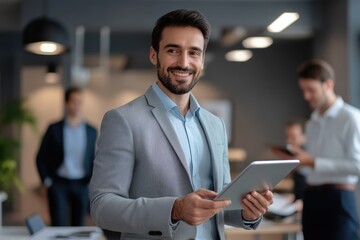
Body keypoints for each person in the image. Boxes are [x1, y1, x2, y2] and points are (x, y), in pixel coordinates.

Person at [89, 9, 273, 240]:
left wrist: (248, 211)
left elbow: (221, 203)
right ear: (154, 55)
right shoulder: (123, 120)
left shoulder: (215, 125)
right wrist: (174, 209)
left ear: (202, 60)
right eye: (173, 50)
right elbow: (102, 207)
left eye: (194, 52)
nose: (184, 62)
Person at [278, 59, 360, 240]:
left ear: (328, 84)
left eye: (311, 90)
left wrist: (313, 162)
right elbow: (312, 166)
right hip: (312, 198)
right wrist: (297, 162)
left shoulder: (351, 118)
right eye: (303, 91)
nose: (306, 96)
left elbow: (357, 165)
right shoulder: (312, 122)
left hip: (338, 199)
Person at [36, 87, 97, 226]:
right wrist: (46, 181)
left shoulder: (91, 131)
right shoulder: (54, 129)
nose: (77, 105)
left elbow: (94, 158)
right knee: (58, 224)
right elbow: (40, 157)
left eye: (80, 102)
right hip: (58, 184)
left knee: (78, 226)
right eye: (74, 101)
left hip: (82, 184)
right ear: (66, 103)